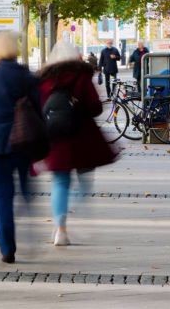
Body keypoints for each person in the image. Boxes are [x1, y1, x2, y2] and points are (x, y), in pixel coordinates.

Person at [40, 42, 116, 246]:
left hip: (56, 140)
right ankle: (70, 211)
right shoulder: (82, 76)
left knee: (60, 183)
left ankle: (60, 228)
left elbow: (39, 108)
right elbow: (95, 107)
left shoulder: (45, 80)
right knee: (84, 184)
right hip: (82, 139)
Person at [0, 31, 39, 263]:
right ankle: (31, 232)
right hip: (21, 142)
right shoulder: (27, 77)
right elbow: (38, 111)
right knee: (25, 190)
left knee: (1, 196)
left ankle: (7, 248)